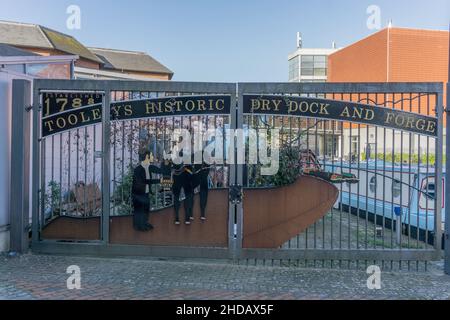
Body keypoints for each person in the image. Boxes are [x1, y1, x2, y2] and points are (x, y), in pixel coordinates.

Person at [131, 150, 162, 231]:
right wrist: (158, 181)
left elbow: (161, 170)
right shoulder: (138, 169)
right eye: (152, 156)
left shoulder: (149, 167)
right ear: (147, 157)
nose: (153, 157)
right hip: (138, 193)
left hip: (146, 192)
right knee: (139, 210)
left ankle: (145, 223)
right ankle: (138, 226)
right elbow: (145, 181)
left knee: (146, 209)